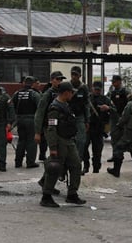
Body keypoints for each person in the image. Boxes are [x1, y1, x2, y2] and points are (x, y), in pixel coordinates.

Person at [40, 80, 86, 208]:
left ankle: (72, 194)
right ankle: (46, 196)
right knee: (55, 168)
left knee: (76, 165)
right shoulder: (54, 107)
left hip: (69, 140)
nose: (72, 95)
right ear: (66, 93)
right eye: (71, 93)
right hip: (59, 141)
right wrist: (53, 147)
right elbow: (51, 128)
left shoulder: (66, 105)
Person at [67, 66, 94, 173]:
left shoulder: (84, 88)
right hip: (68, 118)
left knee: (82, 141)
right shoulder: (67, 86)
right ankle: (66, 168)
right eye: (72, 74)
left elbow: (87, 105)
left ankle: (78, 163)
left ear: (80, 76)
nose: (74, 76)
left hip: (80, 117)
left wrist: (87, 120)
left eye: (76, 75)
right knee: (67, 142)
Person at [35, 70, 65, 163]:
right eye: (57, 79)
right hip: (50, 126)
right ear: (52, 80)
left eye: (61, 79)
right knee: (54, 150)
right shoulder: (48, 94)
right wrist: (37, 132)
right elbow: (40, 113)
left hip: (61, 125)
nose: (60, 81)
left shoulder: (63, 93)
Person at [11, 75, 41, 169]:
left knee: (21, 140)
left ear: (24, 83)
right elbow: (40, 107)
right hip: (31, 119)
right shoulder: (34, 94)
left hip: (20, 119)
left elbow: (11, 106)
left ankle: (18, 162)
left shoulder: (17, 93)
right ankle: (30, 162)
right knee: (31, 141)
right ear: (32, 84)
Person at [108, 73, 132, 160]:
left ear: (119, 82)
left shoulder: (125, 91)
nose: (113, 83)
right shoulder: (111, 91)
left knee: (125, 137)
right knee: (114, 137)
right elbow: (107, 99)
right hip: (114, 117)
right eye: (112, 82)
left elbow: (130, 103)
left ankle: (130, 149)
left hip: (124, 117)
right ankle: (115, 155)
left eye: (115, 82)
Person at [86, 81, 112, 173]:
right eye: (95, 89)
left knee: (97, 151)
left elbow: (113, 111)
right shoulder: (87, 98)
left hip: (99, 128)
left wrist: (107, 108)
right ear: (92, 88)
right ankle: (86, 166)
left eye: (99, 89)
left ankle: (96, 168)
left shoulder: (105, 99)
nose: (97, 91)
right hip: (88, 127)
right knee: (84, 148)